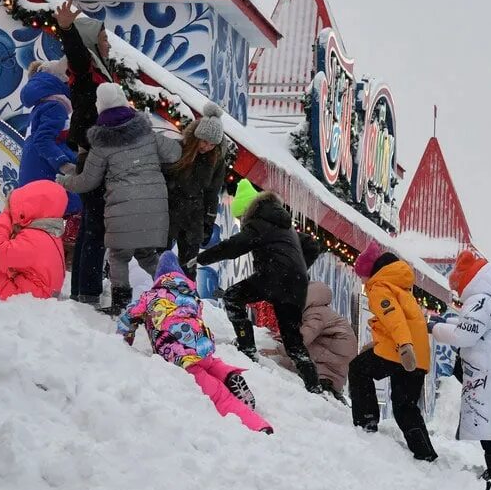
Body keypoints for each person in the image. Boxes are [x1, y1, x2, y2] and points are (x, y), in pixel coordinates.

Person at [58, 83, 182, 314]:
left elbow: (87, 182)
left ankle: (120, 304)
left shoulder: (101, 143)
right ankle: (175, 292)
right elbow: (175, 153)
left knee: (119, 256)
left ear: (100, 106)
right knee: (147, 255)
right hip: (154, 207)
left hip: (122, 209)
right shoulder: (147, 132)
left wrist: (64, 180)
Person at [190, 179, 322, 394]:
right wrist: (297, 268)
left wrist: (202, 258)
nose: (242, 223)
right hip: (296, 284)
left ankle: (247, 347)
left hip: (274, 276)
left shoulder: (259, 222)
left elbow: (235, 246)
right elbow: (312, 245)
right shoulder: (283, 225)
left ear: (247, 211)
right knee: (292, 338)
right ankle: (313, 385)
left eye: (241, 218)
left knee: (233, 297)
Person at [117, 252, 271, 434]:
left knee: (220, 396)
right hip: (202, 347)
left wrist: (122, 343)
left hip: (179, 354)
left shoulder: (149, 297)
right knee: (211, 364)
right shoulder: (192, 296)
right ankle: (227, 374)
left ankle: (258, 425)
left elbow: (127, 319)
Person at [430, 250, 491, 477]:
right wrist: (449, 321)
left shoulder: (479, 301)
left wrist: (435, 328)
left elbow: (466, 335)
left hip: (489, 373)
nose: (458, 292)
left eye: (458, 286)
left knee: (488, 424)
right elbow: (474, 328)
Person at [347, 241, 437, 461]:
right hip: (417, 355)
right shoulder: (402, 287)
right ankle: (425, 454)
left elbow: (393, 318)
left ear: (370, 272)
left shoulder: (380, 287)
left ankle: (366, 422)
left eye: (361, 275)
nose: (361, 280)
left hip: (402, 351)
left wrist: (404, 346)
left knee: (358, 369)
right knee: (405, 406)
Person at [55, 3, 114, 305]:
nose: (108, 43)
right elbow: (77, 54)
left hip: (96, 153)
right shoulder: (85, 67)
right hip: (92, 154)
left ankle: (83, 290)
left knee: (93, 224)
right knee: (96, 226)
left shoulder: (103, 71)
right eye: (103, 38)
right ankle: (88, 293)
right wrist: (67, 30)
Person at [168, 101, 231, 262]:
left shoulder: (216, 160)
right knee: (161, 259)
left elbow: (212, 192)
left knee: (189, 265)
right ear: (197, 137)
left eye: (212, 144)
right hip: (170, 209)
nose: (207, 147)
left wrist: (208, 222)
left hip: (194, 215)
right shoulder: (178, 149)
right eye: (204, 141)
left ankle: (188, 287)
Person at [17, 58, 81, 214]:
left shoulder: (40, 107)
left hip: (34, 178)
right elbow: (43, 140)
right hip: (48, 177)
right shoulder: (55, 106)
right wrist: (66, 164)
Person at [298, 280, 358, 401]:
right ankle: (329, 385)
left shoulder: (315, 313)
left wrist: (279, 349)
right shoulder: (322, 311)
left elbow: (303, 338)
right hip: (338, 358)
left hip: (331, 357)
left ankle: (325, 382)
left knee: (297, 356)